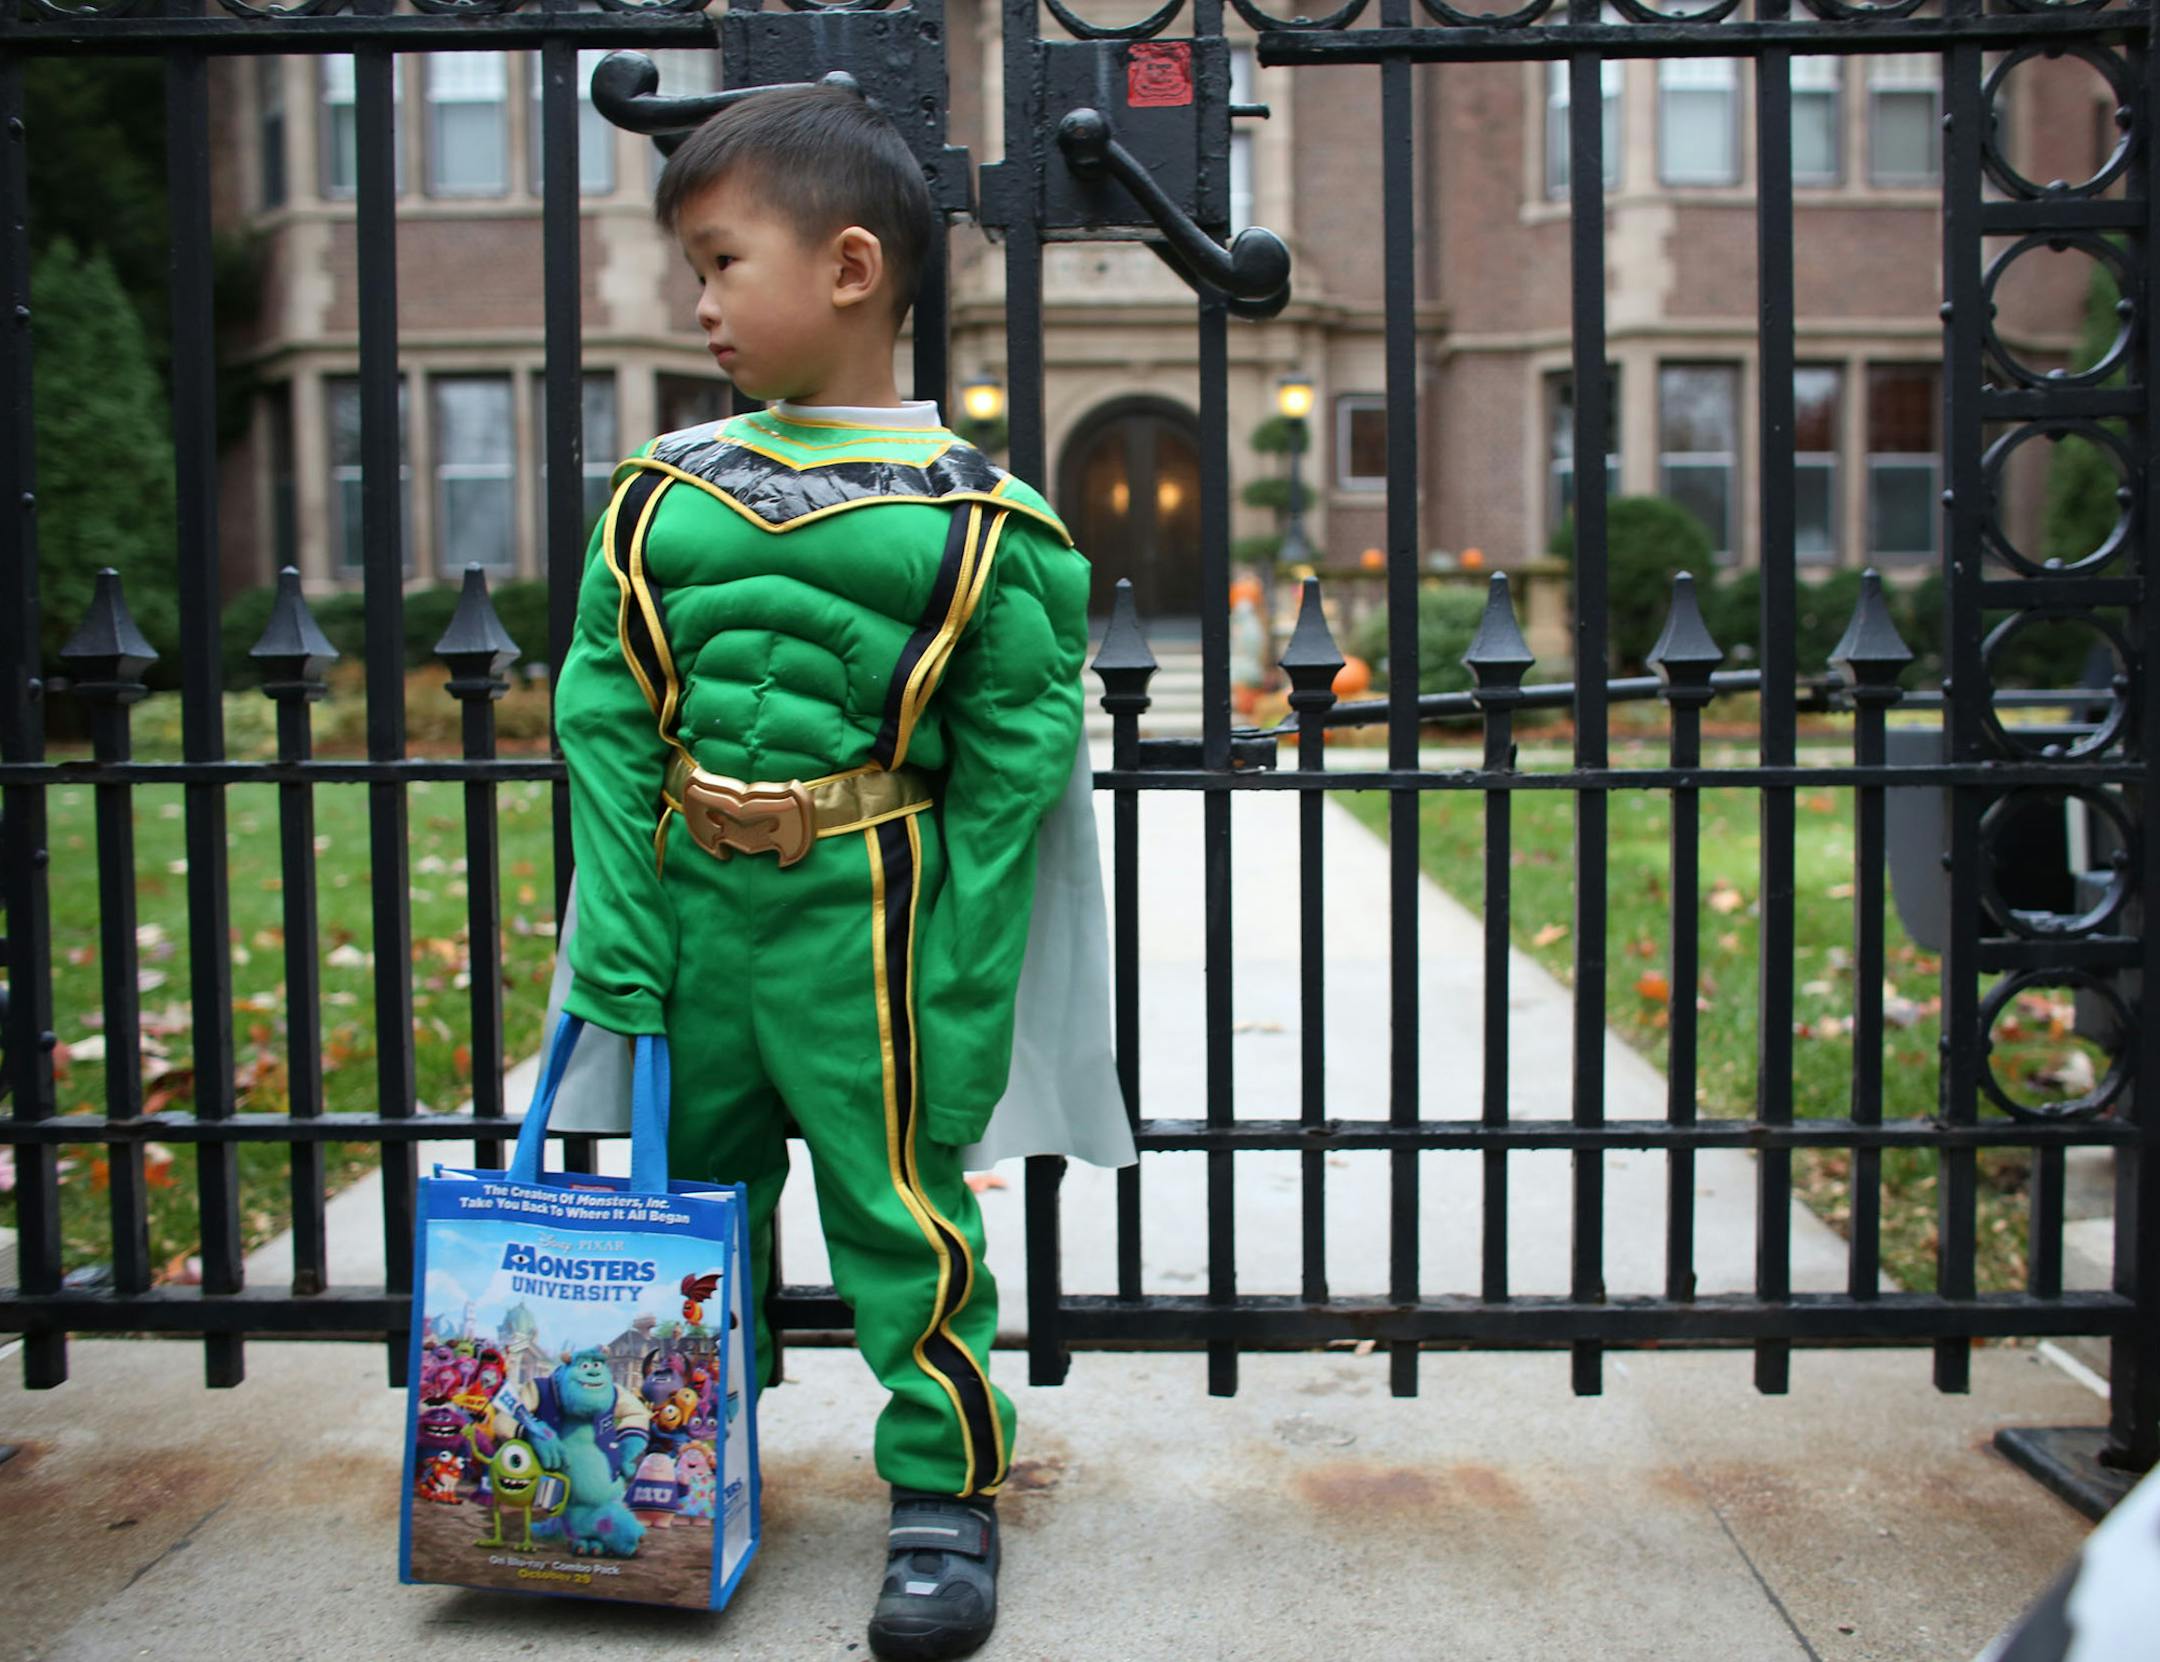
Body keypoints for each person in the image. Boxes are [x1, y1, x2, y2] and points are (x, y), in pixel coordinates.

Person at [548, 79, 1133, 1661]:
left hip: (866, 907)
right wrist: (619, 932)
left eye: (724, 262)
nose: (701, 301)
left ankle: (942, 1489)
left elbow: (1008, 787)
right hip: (689, 901)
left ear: (852, 269)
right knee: (687, 1204)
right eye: (695, 268)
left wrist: (963, 993)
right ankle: (679, 1461)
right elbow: (603, 712)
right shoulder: (656, 500)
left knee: (899, 1211)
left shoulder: (990, 532)